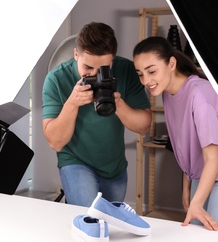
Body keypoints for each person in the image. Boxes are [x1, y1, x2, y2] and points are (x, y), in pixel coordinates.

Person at [133, 36, 218, 231]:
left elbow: (213, 157)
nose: (146, 81)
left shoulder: (199, 95)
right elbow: (187, 143)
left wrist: (196, 201)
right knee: (196, 238)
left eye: (152, 71)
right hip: (204, 170)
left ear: (171, 63)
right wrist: (188, 184)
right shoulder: (167, 92)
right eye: (140, 74)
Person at [42, 22, 151, 207]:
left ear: (112, 60)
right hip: (75, 160)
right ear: (76, 54)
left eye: (102, 70)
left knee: (111, 226)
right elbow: (55, 142)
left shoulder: (126, 71)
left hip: (113, 165)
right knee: (90, 220)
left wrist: (117, 103)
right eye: (87, 68)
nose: (94, 75)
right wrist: (72, 103)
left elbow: (144, 126)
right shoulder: (56, 79)